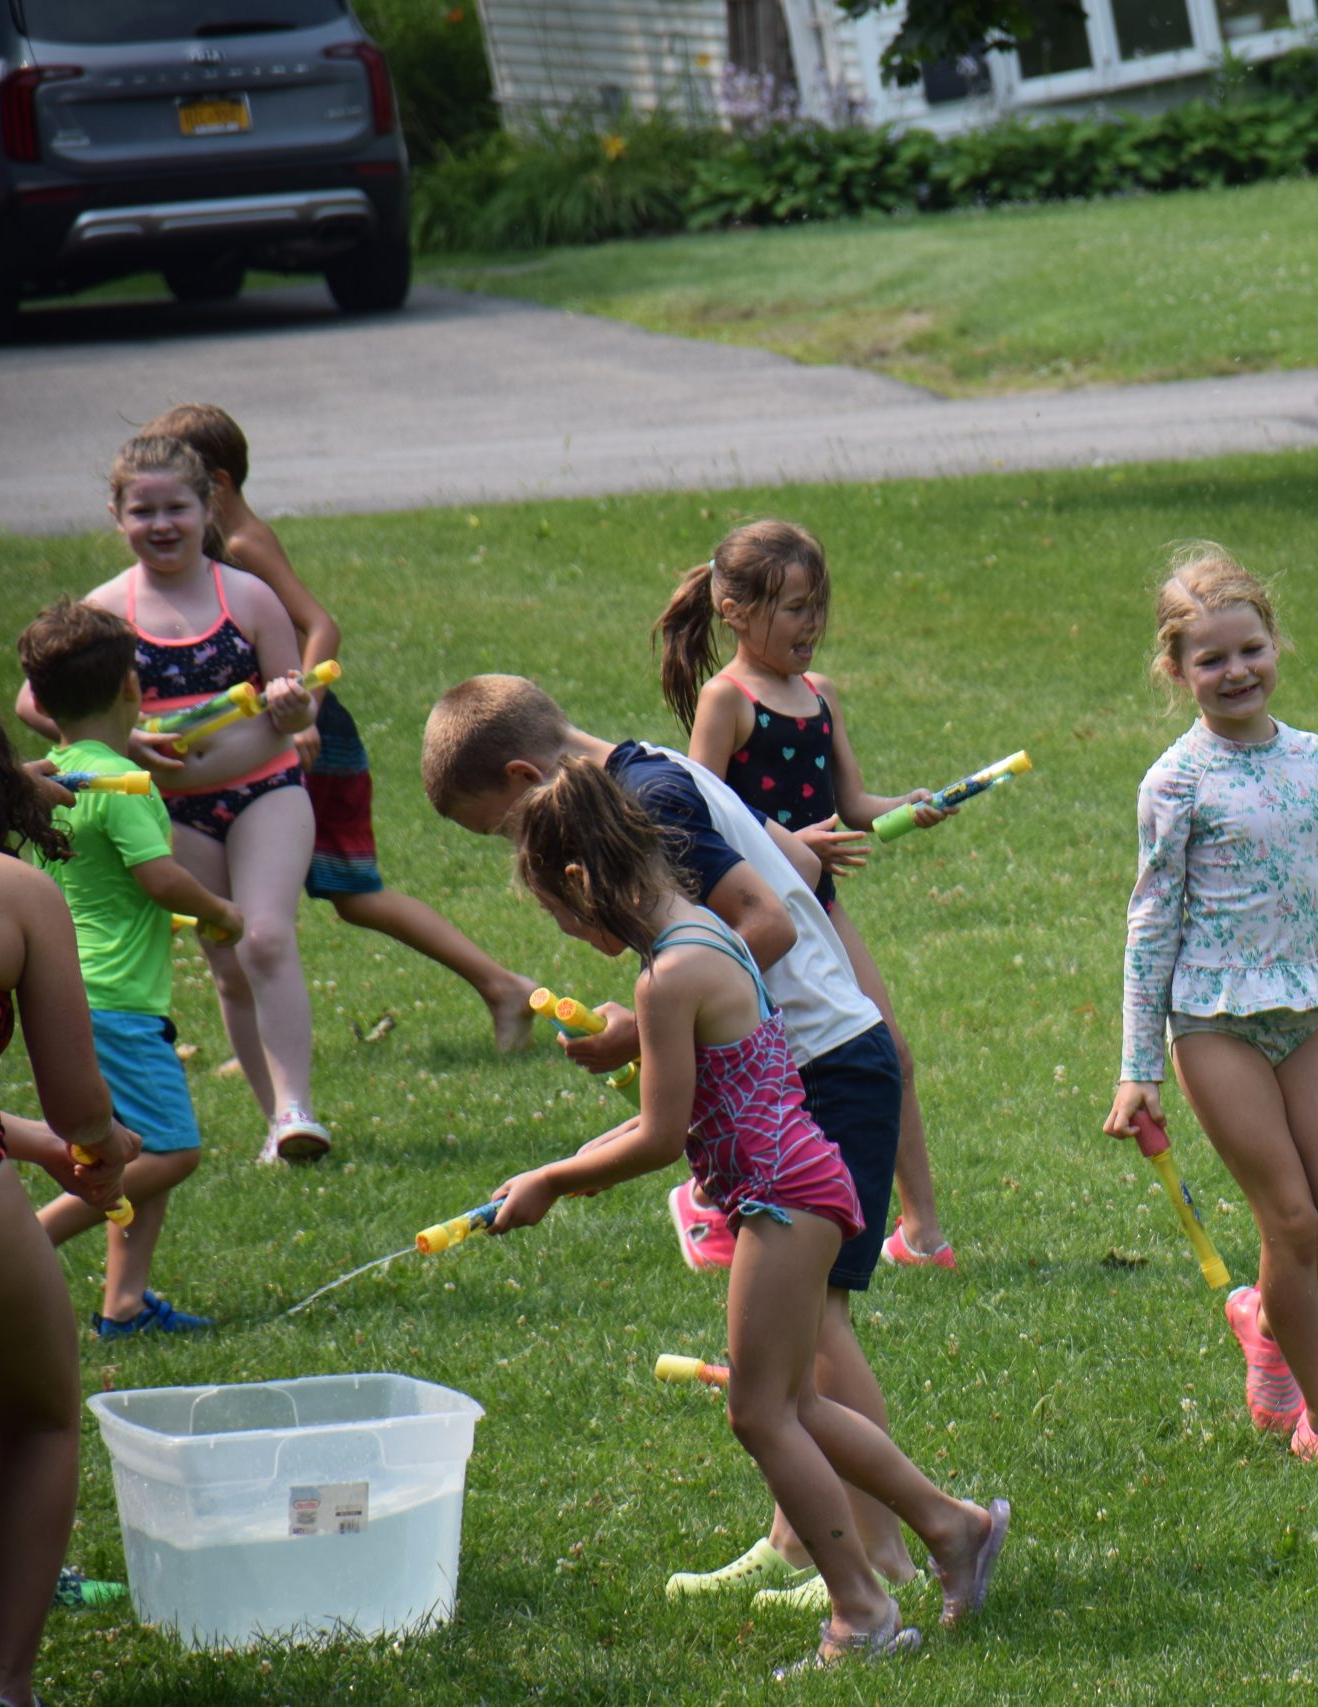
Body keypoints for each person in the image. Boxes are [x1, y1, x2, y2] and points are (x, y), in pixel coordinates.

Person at [485, 759, 1006, 1671]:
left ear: (581, 880)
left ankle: (862, 1612)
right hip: (803, 1182)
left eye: (560, 913)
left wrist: (556, 1179)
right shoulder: (706, 937)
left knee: (761, 1414)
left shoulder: (668, 977)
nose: (568, 930)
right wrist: (558, 1168)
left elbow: (658, 1135)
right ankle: (950, 1525)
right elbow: (682, 1109)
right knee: (795, 1400)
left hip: (782, 1198)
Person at [420, 676, 924, 1608]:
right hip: (794, 1058)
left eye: (505, 828)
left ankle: (885, 1552)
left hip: (820, 1057)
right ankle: (803, 1541)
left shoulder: (649, 801)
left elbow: (764, 921)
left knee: (818, 1329)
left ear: (531, 777)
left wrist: (667, 1022)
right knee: (787, 1354)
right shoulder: (652, 764)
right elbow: (784, 864)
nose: (524, 852)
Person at [1102, 545, 1318, 1464]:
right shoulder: (1176, 783)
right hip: (1212, 1021)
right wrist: (1138, 1068)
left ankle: (1266, 1316)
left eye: (1250, 649)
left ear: (1275, 645)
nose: (1235, 671)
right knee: (1292, 1221)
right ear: (1176, 670)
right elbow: (1149, 928)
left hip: (1303, 1011)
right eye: (1210, 658)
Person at [142, 403, 539, 1056]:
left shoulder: (242, 543)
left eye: (172, 487)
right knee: (288, 900)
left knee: (332, 895)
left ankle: (500, 986)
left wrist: (304, 705)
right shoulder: (215, 550)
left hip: (308, 740)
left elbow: (321, 625)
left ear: (213, 483)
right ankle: (495, 988)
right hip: (273, 739)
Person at [655, 520, 956, 1273]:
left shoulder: (820, 694)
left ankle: (920, 1232)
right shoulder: (725, 702)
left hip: (819, 910)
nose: (811, 624)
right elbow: (701, 818)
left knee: (887, 1050)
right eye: (794, 607)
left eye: (817, 606)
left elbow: (850, 800)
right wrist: (793, 849)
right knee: (756, 1070)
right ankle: (707, 1200)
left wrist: (906, 804)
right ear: (735, 611)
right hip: (752, 918)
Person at [14, 435, 326, 1162]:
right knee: (225, 959)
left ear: (207, 507)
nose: (161, 524)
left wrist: (292, 706)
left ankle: (296, 1109)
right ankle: (272, 1119)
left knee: (267, 937)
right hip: (165, 807)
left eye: (176, 507)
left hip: (264, 790)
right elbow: (36, 700)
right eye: (142, 509)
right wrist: (124, 745)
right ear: (117, 515)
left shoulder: (246, 594)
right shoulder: (105, 609)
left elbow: (302, 704)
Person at [0, 675, 139, 1707]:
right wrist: (96, 1154)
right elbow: (77, 1102)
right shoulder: (6, 889)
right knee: (40, 1416)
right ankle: (7, 1687)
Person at [14, 600, 238, 1333]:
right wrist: (219, 911)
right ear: (133, 691)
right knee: (172, 1150)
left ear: (40, 703)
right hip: (118, 998)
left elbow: (103, 881)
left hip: (71, 990)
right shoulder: (125, 783)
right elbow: (157, 877)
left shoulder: (52, 777)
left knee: (134, 1142)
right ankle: (26, 1242)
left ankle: (125, 1303)